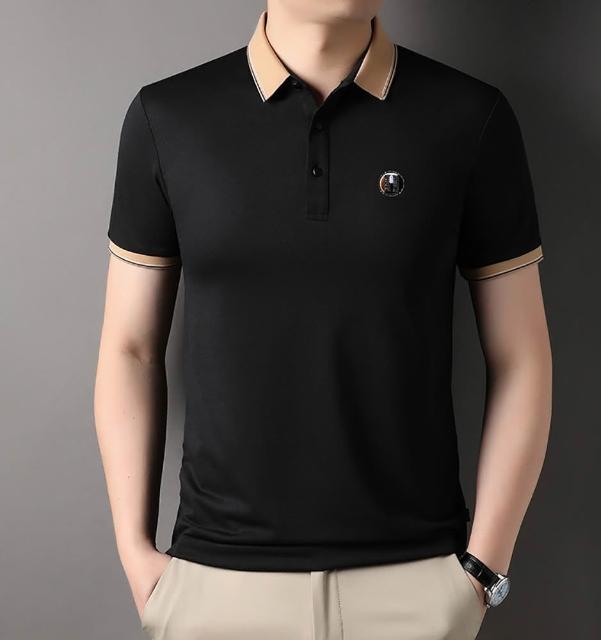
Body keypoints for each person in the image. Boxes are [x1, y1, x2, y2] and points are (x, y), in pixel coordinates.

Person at [94, 1, 552, 638]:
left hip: (415, 589)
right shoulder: (168, 118)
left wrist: (481, 570)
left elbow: (522, 356)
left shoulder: (470, 117)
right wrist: (137, 557)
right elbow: (131, 349)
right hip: (215, 588)